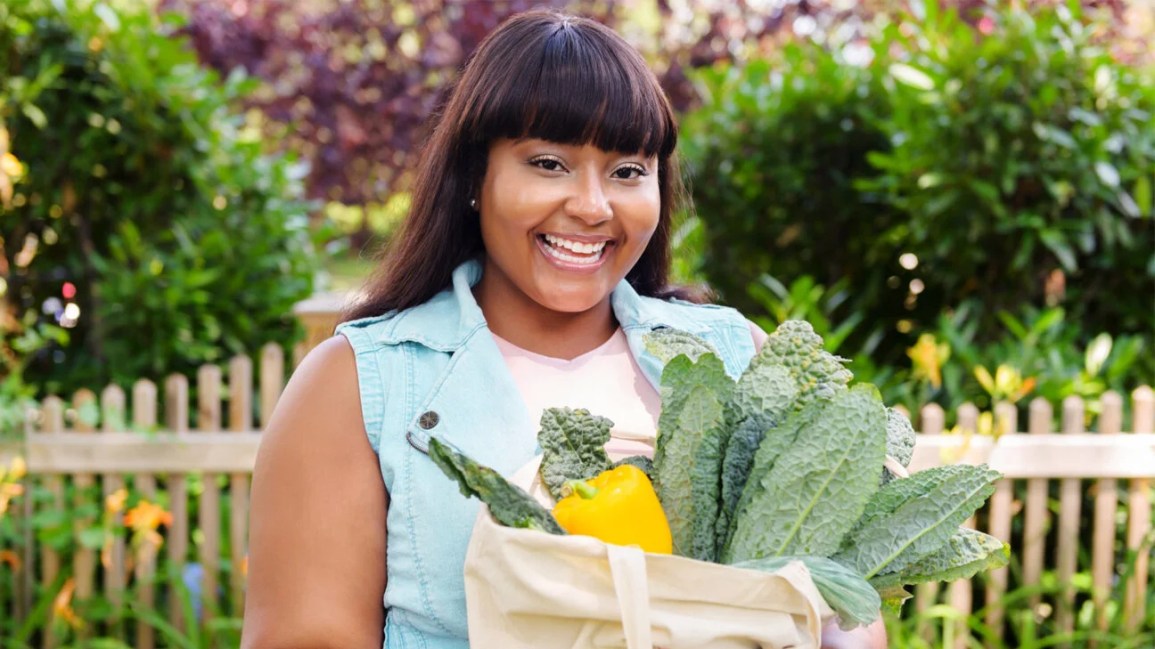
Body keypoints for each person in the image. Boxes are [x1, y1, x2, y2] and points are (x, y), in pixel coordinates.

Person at [241, 10, 886, 649]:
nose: (592, 205)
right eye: (548, 163)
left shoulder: (736, 355)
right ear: (474, 177)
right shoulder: (357, 384)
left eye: (627, 171)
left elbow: (844, 614)